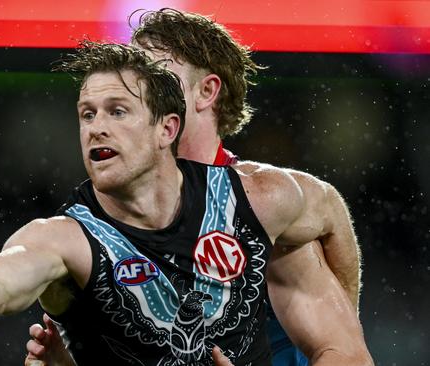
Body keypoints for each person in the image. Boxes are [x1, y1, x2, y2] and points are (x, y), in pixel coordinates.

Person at [0, 42, 371, 365]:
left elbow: (328, 213)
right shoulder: (67, 240)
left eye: (117, 111)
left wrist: (350, 297)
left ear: (167, 129)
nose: (96, 128)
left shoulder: (254, 200)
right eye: (87, 114)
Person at [24, 8, 369, 366]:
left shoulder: (264, 212)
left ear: (206, 91)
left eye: (155, 75)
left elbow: (348, 355)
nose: (136, 89)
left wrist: (348, 320)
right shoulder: (105, 217)